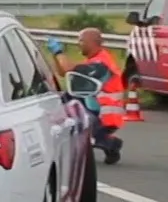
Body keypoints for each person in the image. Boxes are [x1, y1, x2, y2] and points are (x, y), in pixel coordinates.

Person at [50, 28, 125, 163]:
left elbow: (68, 69)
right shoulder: (93, 61)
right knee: (65, 101)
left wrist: (58, 52)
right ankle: (100, 141)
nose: (79, 43)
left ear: (92, 42)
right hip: (96, 111)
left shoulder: (101, 64)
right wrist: (55, 56)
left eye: (82, 40)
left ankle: (111, 144)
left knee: (82, 135)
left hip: (105, 117)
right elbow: (64, 73)